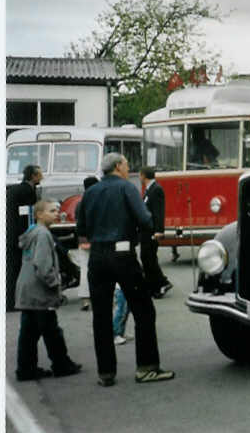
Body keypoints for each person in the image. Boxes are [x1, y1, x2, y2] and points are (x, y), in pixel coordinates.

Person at [76, 152, 175, 387]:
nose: (128, 168)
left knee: (100, 316)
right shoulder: (126, 188)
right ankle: (147, 367)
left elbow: (82, 226)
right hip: (122, 254)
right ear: (119, 166)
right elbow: (145, 219)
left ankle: (106, 373)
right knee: (143, 311)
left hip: (97, 256)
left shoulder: (90, 193)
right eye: (126, 164)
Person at [15, 199, 83, 381]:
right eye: (52, 211)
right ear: (39, 214)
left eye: (56, 210)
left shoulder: (32, 233)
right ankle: (61, 364)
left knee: (29, 332)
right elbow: (43, 265)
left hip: (26, 288)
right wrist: (55, 284)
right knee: (52, 330)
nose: (56, 214)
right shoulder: (44, 235)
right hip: (40, 290)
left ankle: (25, 368)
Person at [7, 165, 43, 312]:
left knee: (12, 268)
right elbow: (26, 216)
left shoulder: (15, 189)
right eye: (40, 174)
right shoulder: (27, 191)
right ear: (33, 176)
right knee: (19, 268)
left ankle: (11, 300)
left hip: (10, 232)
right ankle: (16, 301)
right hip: (19, 235)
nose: (42, 177)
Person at [139, 167, 173, 298]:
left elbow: (159, 212)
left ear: (143, 176)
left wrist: (159, 230)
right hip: (146, 231)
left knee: (149, 258)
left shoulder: (156, 190)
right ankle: (153, 285)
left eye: (140, 175)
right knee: (147, 258)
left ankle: (161, 283)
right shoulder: (148, 190)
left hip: (152, 231)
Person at [73, 176, 99, 311]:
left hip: (84, 240)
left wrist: (83, 239)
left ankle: (85, 300)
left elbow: (79, 224)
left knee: (85, 269)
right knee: (101, 269)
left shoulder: (80, 203)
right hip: (98, 240)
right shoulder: (100, 201)